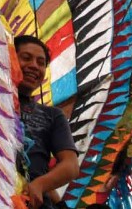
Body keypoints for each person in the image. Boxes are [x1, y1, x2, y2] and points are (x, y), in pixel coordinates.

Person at [16, 35, 79, 209]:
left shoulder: (52, 115)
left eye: (41, 62)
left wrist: (40, 184)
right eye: (26, 58)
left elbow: (71, 165)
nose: (34, 66)